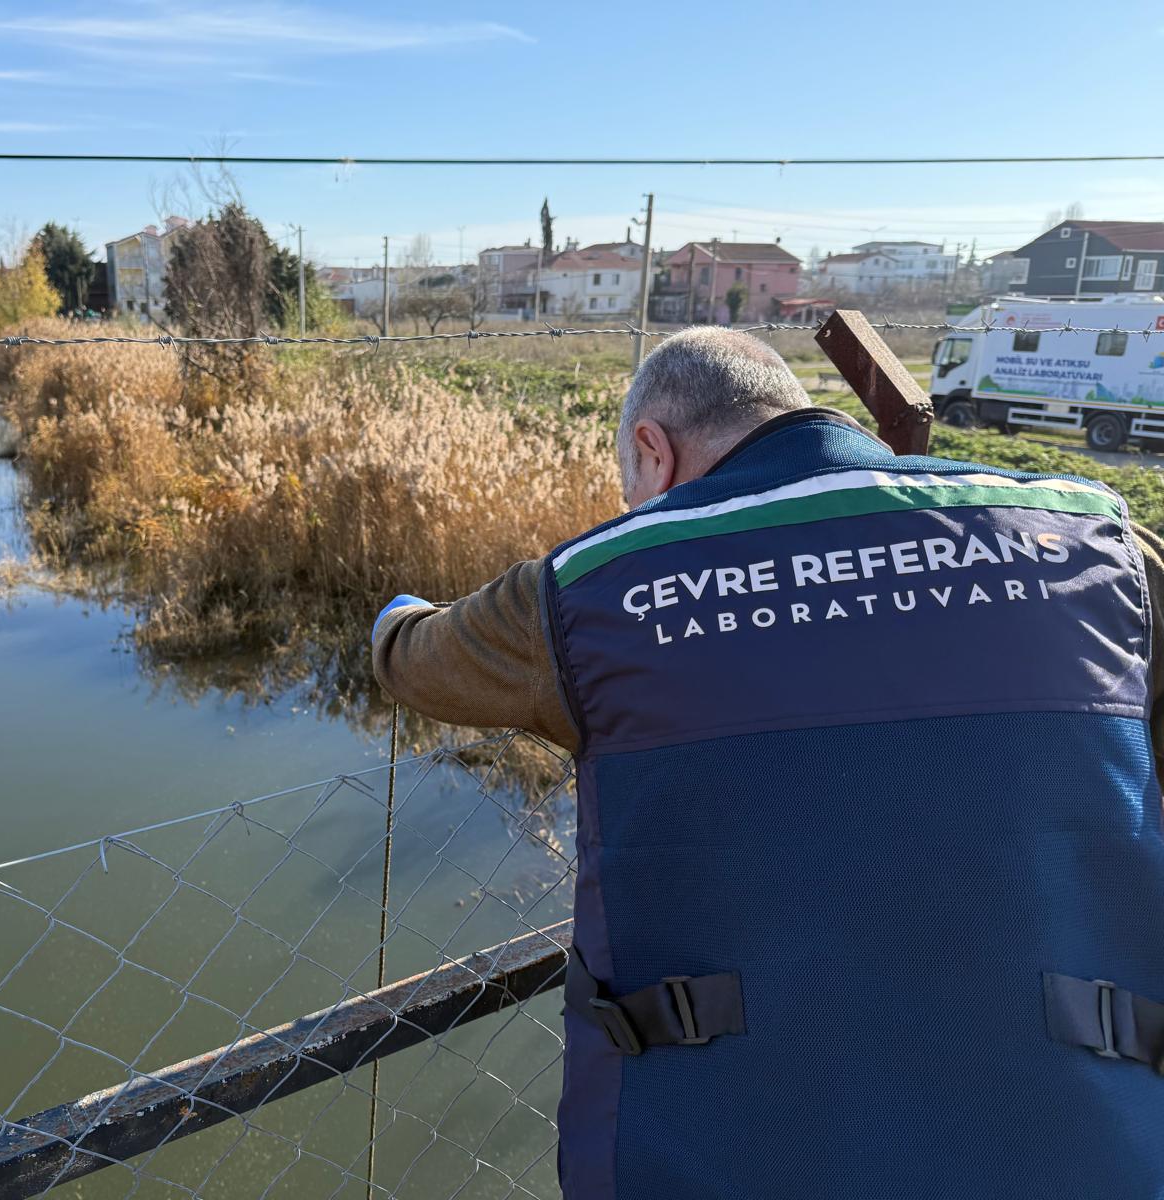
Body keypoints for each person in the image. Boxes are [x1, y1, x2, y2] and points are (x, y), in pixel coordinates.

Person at [372, 328, 1164, 1199]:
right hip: (1090, 1142)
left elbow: (413, 657)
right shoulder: (1099, 544)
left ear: (653, 450)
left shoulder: (585, 593)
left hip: (724, 1152)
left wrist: (397, 610)